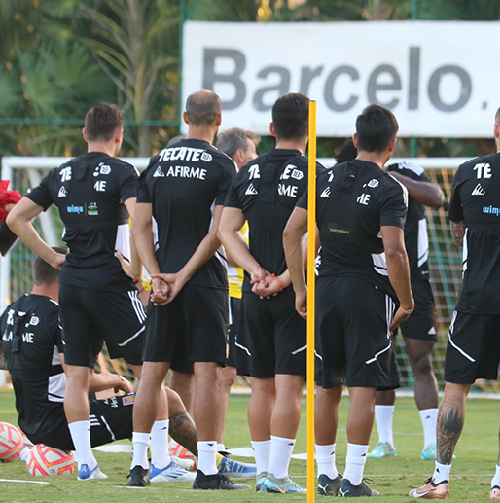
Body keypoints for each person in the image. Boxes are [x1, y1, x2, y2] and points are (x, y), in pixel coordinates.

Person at [6, 103, 172, 481]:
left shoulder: (61, 172)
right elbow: (140, 219)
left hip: (73, 285)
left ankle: (85, 463)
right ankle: (156, 461)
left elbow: (16, 218)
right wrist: (137, 270)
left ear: (84, 134)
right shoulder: (122, 171)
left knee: (77, 376)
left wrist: (53, 257)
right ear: (119, 136)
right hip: (110, 284)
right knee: (148, 371)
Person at [284, 104, 413, 497]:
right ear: (392, 145)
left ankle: (326, 475)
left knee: (327, 385)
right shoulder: (392, 188)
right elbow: (394, 252)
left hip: (324, 289)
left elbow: (292, 233)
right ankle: (353, 481)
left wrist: (300, 288)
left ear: (356, 139)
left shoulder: (322, 178)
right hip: (367, 293)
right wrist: (407, 302)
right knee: (363, 387)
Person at [130, 90, 248, 490]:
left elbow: (140, 226)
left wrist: (157, 274)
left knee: (152, 372)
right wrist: (182, 276)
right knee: (208, 372)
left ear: (184, 117)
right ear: (219, 119)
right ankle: (208, 470)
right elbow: (219, 232)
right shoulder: (223, 165)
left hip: (163, 282)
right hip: (203, 281)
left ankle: (139, 465)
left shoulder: (157, 162)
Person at [219, 92, 321, 494]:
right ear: (309, 129)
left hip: (252, 293)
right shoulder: (316, 172)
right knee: (289, 386)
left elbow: (226, 231)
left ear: (273, 128)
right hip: (295, 294)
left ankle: (264, 472)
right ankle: (277, 476)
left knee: (261, 386)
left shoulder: (247, 171)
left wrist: (255, 271)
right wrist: (282, 280)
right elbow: (313, 236)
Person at [334, 141, 446, 460]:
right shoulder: (347, 181)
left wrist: (393, 178)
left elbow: (437, 197)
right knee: (379, 360)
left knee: (421, 359)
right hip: (373, 282)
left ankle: (432, 442)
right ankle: (385, 441)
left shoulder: (403, 171)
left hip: (415, 281)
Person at [409, 109, 500, 500]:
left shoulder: (467, 171)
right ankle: (499, 484)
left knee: (456, 389)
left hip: (475, 298)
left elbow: (457, 227)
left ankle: (440, 479)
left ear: (495, 129)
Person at [215, 126, 260, 452]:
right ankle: (213, 448)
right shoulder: (230, 183)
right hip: (226, 289)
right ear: (240, 155)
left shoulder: (239, 184)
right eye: (254, 153)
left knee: (217, 373)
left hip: (231, 289)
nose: (257, 159)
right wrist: (258, 265)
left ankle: (202, 447)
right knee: (223, 374)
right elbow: (224, 242)